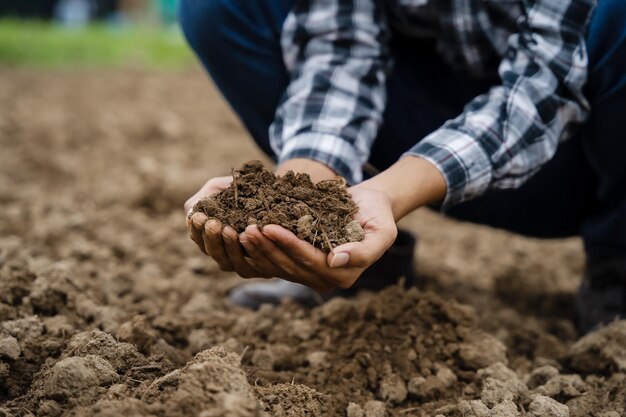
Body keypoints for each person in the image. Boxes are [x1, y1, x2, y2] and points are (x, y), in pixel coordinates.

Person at [179, 0, 626, 334]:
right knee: (217, 8)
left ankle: (617, 261)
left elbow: (540, 90)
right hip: (430, 130)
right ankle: (365, 259)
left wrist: (393, 191)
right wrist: (306, 194)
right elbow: (341, 50)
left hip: (577, 153)